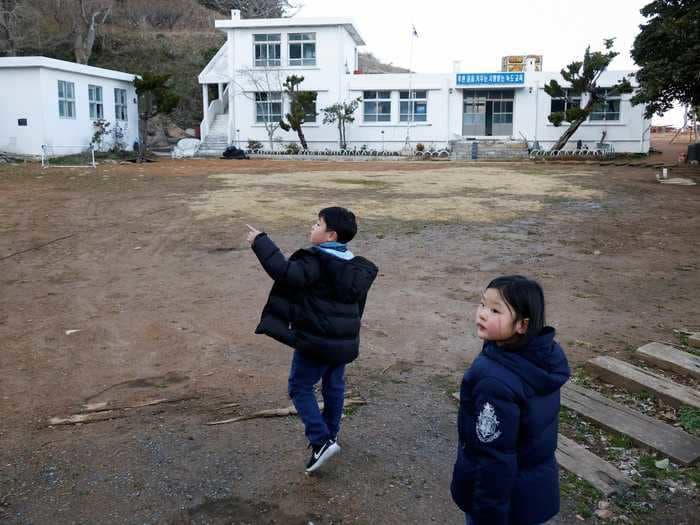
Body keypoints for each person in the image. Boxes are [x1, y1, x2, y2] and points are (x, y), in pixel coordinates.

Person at [246, 207, 378, 473]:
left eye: (317, 224)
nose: (312, 227)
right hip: (342, 344)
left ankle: (320, 440)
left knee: (299, 386)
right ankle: (331, 435)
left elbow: (284, 271)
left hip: (316, 342)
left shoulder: (316, 262)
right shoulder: (354, 267)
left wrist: (260, 241)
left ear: (330, 235)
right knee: (334, 387)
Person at [451, 275, 570, 525]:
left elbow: (494, 458)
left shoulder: (494, 380)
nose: (482, 313)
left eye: (495, 310)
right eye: (483, 304)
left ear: (522, 325)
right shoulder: (543, 358)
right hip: (532, 495)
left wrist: (488, 515)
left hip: (501, 505)